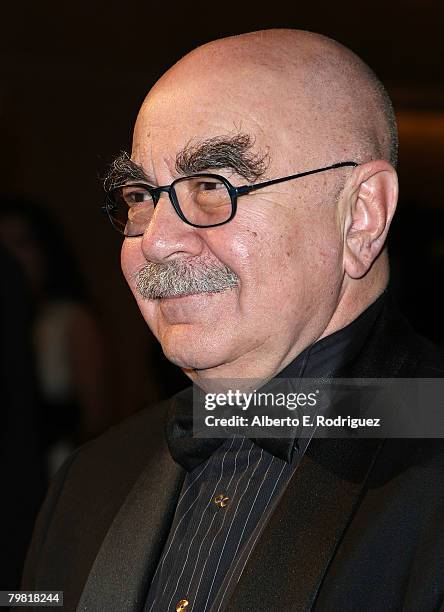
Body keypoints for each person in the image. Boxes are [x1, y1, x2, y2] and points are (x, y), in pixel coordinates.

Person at [20, 29, 444, 611]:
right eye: (142, 196)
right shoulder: (89, 480)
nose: (157, 240)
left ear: (362, 217)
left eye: (211, 187)